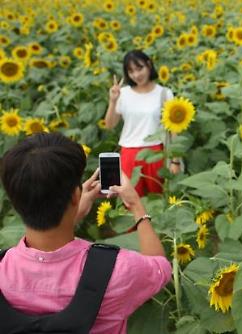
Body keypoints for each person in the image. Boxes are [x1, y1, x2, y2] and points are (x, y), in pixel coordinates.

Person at [0, 132, 171, 334]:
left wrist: (72, 213)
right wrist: (136, 205)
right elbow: (160, 269)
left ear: (13, 199)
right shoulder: (119, 270)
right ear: (75, 195)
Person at [104, 49, 182, 197]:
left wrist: (175, 161)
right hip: (129, 153)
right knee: (131, 202)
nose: (137, 75)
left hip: (156, 153)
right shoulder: (123, 94)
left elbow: (173, 130)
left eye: (140, 68)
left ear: (149, 64)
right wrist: (113, 101)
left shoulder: (164, 93)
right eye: (131, 71)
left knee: (159, 200)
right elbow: (109, 125)